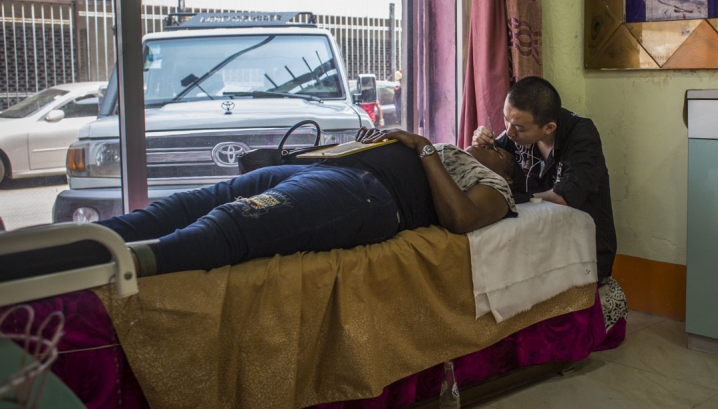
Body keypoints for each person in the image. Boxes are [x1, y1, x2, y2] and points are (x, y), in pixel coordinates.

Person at [99, 129, 518, 276]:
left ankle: (123, 263)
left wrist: (423, 147)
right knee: (192, 203)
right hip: (324, 169)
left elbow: (461, 219)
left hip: (367, 193)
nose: (486, 142)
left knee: (237, 220)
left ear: (507, 171)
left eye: (496, 147)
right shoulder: (449, 152)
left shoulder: (494, 184)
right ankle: (86, 240)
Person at [472, 76, 617, 281]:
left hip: (583, 251)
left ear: (549, 127)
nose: (509, 132)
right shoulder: (515, 136)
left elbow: (564, 197)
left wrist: (516, 198)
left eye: (519, 127)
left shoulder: (581, 135)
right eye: (506, 119)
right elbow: (493, 160)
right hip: (540, 243)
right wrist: (482, 145)